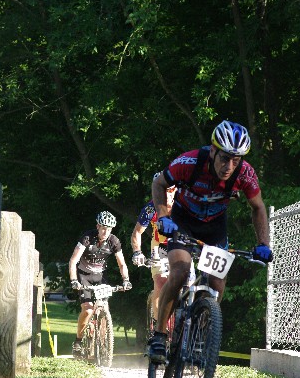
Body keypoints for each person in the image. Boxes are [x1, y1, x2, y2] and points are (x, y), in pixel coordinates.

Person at [149, 120, 273, 363]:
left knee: (217, 283)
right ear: (213, 150)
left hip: (215, 227)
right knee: (181, 270)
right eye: (225, 158)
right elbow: (159, 183)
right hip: (183, 221)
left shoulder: (244, 173)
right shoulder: (190, 162)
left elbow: (257, 207)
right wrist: (163, 216)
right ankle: (159, 336)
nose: (229, 166)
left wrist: (264, 244)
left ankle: (202, 332)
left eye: (235, 160)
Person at [69, 210, 132, 358]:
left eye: (109, 229)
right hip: (83, 275)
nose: (105, 231)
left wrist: (126, 280)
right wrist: (74, 280)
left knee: (105, 308)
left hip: (100, 277)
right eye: (103, 227)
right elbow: (73, 261)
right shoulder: (87, 238)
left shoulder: (114, 241)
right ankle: (78, 341)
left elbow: (122, 264)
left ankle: (103, 343)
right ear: (97, 226)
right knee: (88, 310)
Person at [130, 177, 177, 323]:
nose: (166, 195)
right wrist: (137, 252)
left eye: (170, 191)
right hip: (159, 246)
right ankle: (159, 327)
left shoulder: (184, 205)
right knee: (161, 281)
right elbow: (137, 233)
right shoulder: (151, 208)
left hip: (179, 245)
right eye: (161, 191)